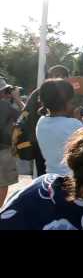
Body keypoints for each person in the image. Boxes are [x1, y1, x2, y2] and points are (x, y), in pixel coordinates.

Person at [36, 79, 83, 176]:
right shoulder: (74, 124)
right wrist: (78, 120)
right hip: (70, 180)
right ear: (67, 102)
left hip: (51, 177)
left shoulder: (41, 122)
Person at [0, 78, 23, 207]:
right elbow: (25, 116)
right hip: (3, 149)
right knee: (2, 183)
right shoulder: (5, 106)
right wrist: (17, 99)